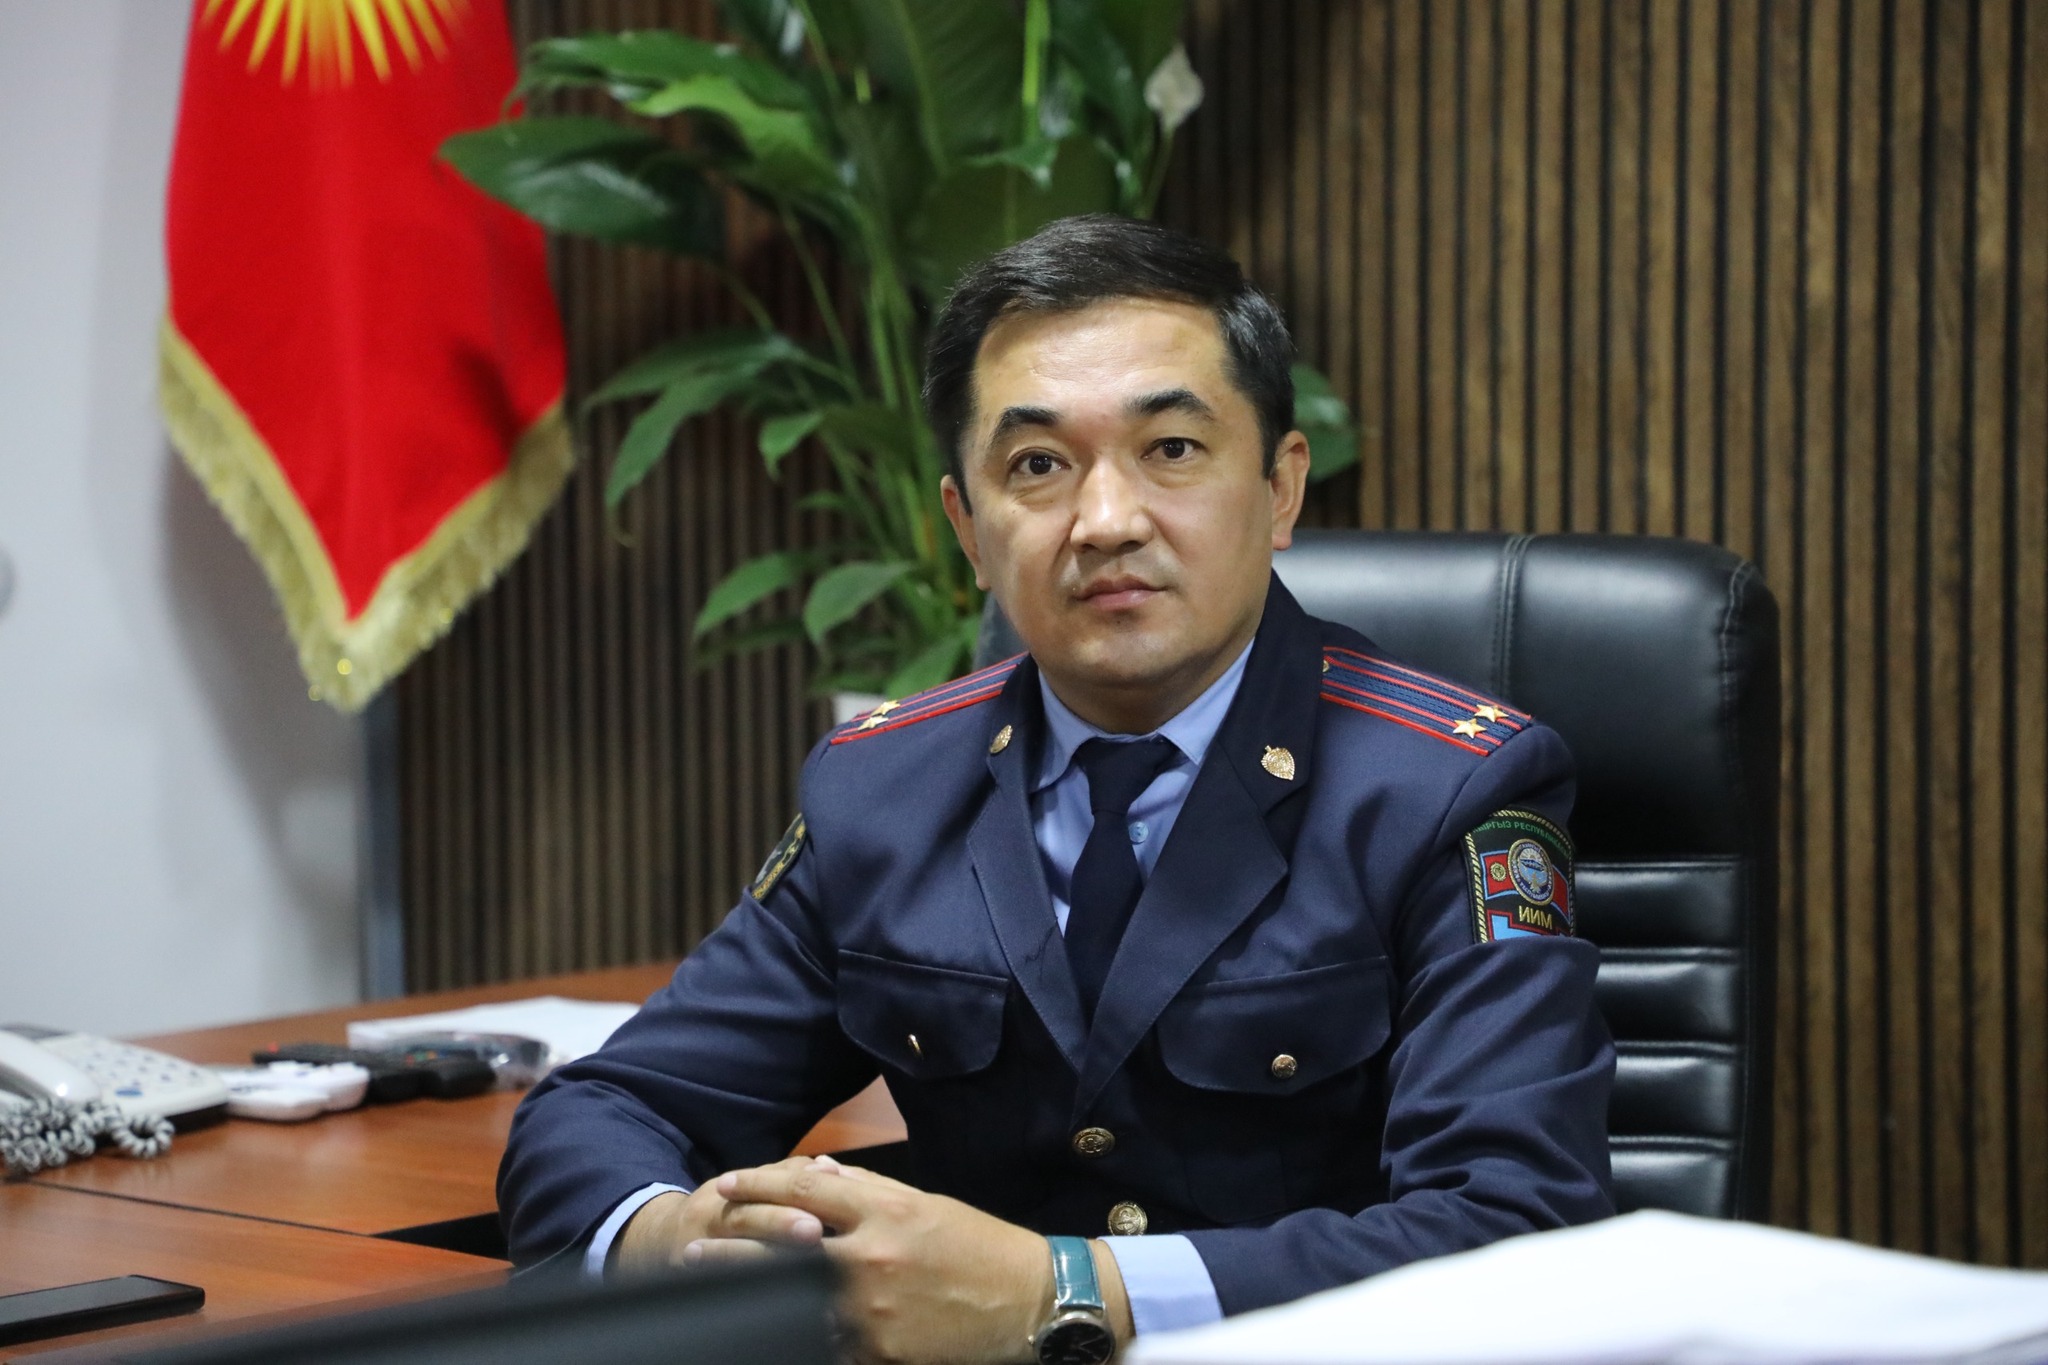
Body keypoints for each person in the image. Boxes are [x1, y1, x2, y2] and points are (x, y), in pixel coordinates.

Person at [498, 215, 1614, 1363]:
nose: (1106, 522)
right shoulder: (883, 789)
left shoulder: (1444, 791)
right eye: (1036, 466)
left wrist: (1065, 1290)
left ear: (1280, 488)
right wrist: (672, 1242)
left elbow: (1517, 1227)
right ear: (966, 530)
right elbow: (601, 1113)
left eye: (1170, 449)